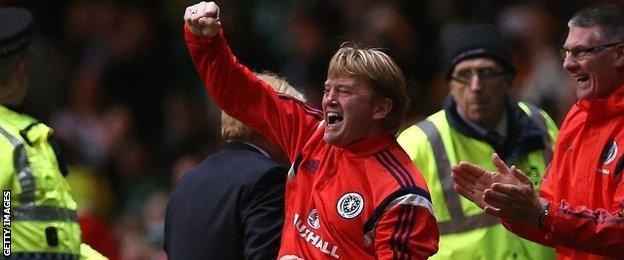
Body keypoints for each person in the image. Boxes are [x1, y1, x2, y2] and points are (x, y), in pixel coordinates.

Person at [183, 2, 439, 259]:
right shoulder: (311, 133)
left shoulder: (402, 194)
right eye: (328, 89)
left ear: (381, 109)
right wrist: (206, 42)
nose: (330, 99)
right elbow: (241, 93)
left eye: (345, 91)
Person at [451, 4, 624, 259]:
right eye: (565, 52)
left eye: (581, 52)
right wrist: (516, 210)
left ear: (620, 54)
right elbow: (552, 221)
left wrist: (541, 212)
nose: (567, 64)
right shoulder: (577, 119)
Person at [397, 24, 557, 259]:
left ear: (508, 79)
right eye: (464, 75)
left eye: (487, 73)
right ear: (449, 84)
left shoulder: (539, 122)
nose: (476, 87)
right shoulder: (418, 142)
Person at [0, 7, 106, 259]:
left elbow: (63, 245)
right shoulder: (8, 140)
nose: (26, 72)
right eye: (18, 64)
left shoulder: (28, 136)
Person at [164, 73, 304, 260]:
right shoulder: (268, 179)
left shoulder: (186, 183)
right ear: (270, 123)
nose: (298, 137)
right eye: (291, 123)